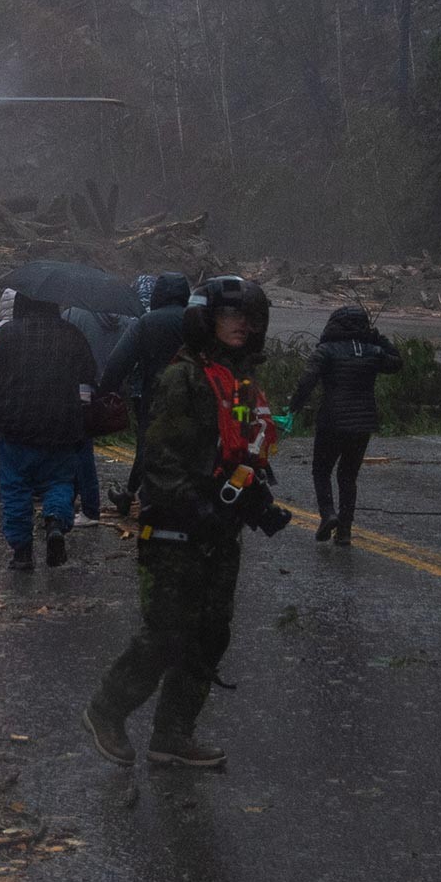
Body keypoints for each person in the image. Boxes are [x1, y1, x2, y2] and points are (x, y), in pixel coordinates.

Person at [84, 276, 280, 770]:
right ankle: (106, 709)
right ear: (207, 319)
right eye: (231, 316)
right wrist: (199, 506)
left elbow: (239, 450)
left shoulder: (239, 383)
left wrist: (254, 501)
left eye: (249, 318)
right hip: (175, 531)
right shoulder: (184, 378)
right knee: (167, 632)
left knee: (211, 634)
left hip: (219, 534)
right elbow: (161, 462)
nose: (241, 326)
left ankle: (173, 734)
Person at [0, 292, 96, 570]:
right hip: (62, 424)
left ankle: (22, 552)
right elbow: (89, 375)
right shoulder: (72, 334)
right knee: (59, 482)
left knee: (16, 486)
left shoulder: (6, 335)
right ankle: (55, 522)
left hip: (15, 424)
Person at [282, 305, 402, 544]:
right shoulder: (373, 351)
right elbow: (397, 362)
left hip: (332, 421)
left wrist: (293, 407)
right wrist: (378, 337)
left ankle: (328, 514)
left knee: (321, 470)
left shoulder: (326, 350)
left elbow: (307, 380)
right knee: (348, 476)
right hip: (363, 422)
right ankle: (345, 530)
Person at [98, 272, 193, 515]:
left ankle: (134, 497)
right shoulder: (197, 321)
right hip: (195, 399)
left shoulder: (146, 322)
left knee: (148, 447)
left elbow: (118, 361)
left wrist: (106, 391)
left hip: (155, 397)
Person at [65, 304, 132, 523]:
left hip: (78, 388)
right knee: (83, 446)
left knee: (78, 448)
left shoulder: (74, 316)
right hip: (105, 388)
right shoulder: (121, 317)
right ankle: (82, 502)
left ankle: (88, 507)